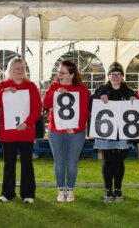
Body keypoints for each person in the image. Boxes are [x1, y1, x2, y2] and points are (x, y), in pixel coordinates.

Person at [0, 57, 42, 204]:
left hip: (26, 131)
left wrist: (27, 123)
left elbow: (37, 110)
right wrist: (3, 92)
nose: (20, 70)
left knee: (27, 163)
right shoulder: (2, 85)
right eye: (16, 67)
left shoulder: (31, 86)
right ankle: (7, 193)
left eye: (22, 68)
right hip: (8, 133)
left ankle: (28, 194)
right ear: (10, 70)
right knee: (9, 163)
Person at [43, 60, 90, 202]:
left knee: (71, 162)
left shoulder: (82, 89)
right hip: (56, 131)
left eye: (62, 73)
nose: (59, 75)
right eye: (58, 72)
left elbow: (84, 112)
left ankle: (70, 189)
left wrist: (74, 127)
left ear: (72, 74)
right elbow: (45, 103)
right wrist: (56, 93)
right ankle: (60, 189)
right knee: (59, 162)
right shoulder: (54, 86)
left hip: (76, 132)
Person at [90, 62, 138, 202]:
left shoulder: (129, 91)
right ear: (109, 76)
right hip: (106, 132)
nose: (116, 77)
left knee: (119, 161)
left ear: (122, 77)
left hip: (123, 133)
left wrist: (135, 100)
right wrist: (98, 98)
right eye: (113, 74)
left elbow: (137, 108)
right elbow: (89, 105)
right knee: (108, 161)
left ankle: (118, 189)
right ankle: (108, 190)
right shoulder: (101, 90)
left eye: (118, 74)